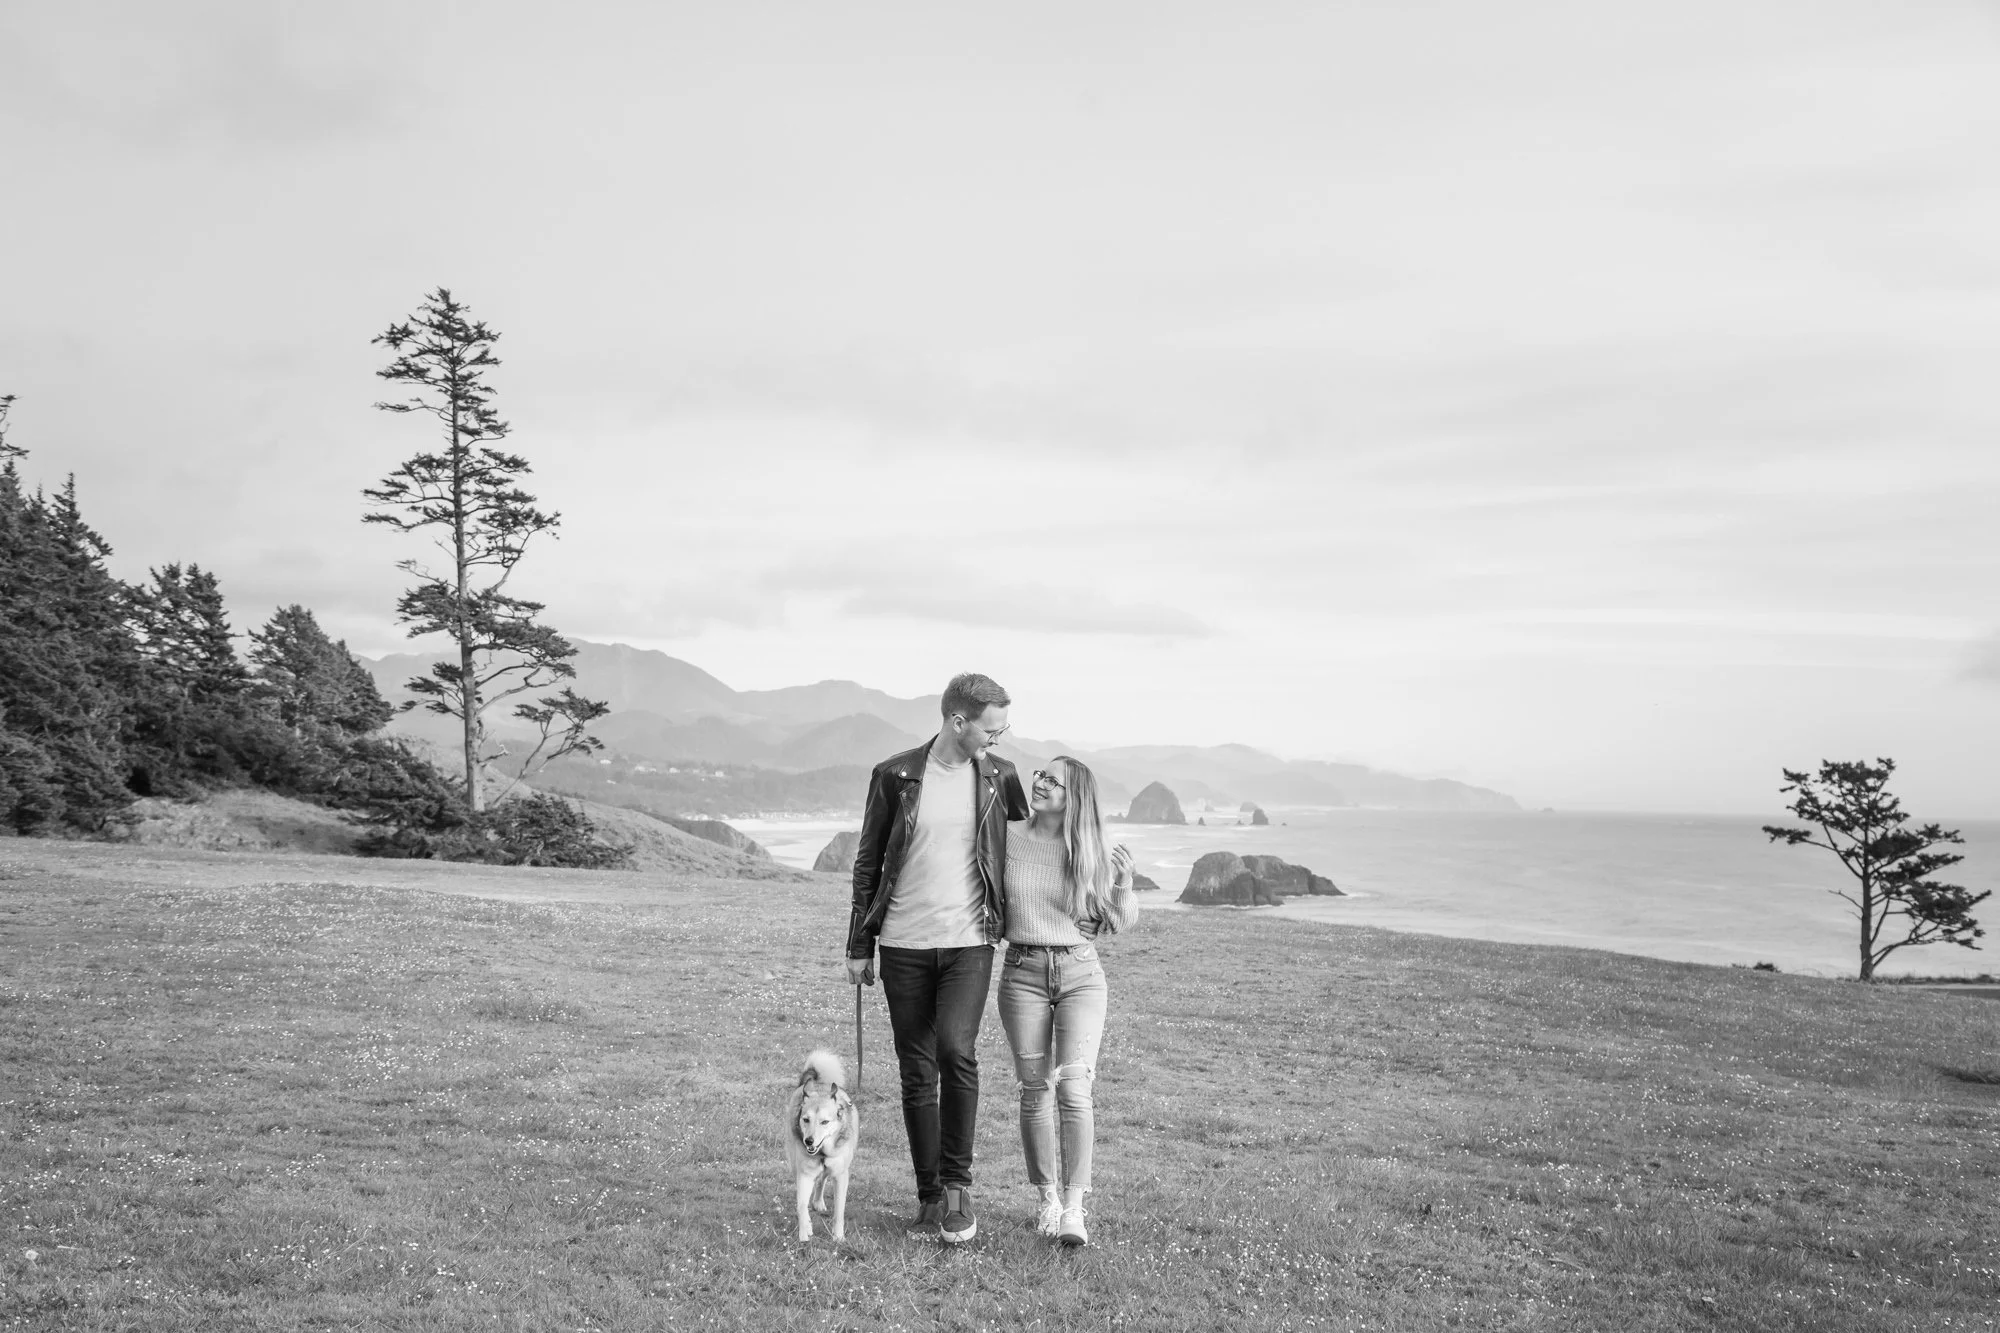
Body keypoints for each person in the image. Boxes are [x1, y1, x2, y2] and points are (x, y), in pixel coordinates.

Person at [846, 673, 1028, 1243]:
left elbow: (1026, 844)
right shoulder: (895, 776)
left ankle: (957, 1189)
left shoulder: (1001, 776)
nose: (1000, 737)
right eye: (992, 727)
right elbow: (868, 862)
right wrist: (859, 945)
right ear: (958, 721)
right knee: (917, 1068)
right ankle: (927, 1197)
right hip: (902, 943)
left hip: (970, 942)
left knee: (957, 1049)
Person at [997, 755, 1139, 1248]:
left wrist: (1122, 882)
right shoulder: (1007, 835)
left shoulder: (1090, 848)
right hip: (1022, 973)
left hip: (1081, 974)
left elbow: (1120, 919)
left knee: (1074, 1090)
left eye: (1053, 781)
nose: (1040, 784)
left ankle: (1075, 1209)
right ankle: (1048, 1202)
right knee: (1034, 1090)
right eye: (1040, 775)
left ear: (1072, 798)